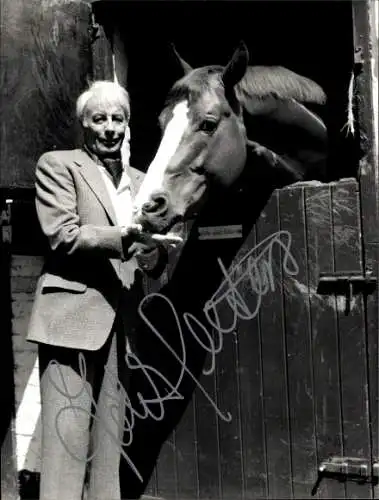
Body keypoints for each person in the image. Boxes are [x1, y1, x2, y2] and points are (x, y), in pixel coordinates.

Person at [27, 80, 169, 500]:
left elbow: (151, 257)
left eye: (118, 119)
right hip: (70, 322)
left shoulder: (142, 182)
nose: (110, 128)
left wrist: (151, 253)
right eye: (99, 118)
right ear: (83, 124)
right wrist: (128, 236)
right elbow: (63, 235)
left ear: (128, 124)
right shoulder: (59, 165)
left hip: (121, 328)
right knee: (67, 444)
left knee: (110, 448)